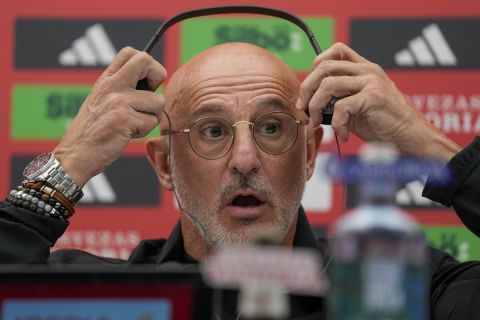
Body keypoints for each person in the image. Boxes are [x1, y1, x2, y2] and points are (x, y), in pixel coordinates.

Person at [1, 42, 480, 319]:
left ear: (309, 153)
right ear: (165, 166)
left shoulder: (406, 286)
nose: (246, 159)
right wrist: (68, 165)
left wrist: (431, 146)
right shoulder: (99, 300)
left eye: (272, 128)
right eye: (212, 131)